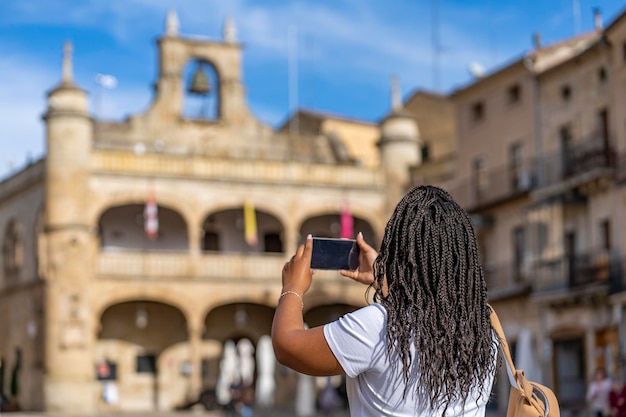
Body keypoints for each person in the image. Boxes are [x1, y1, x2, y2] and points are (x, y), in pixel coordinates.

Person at [272, 185, 498, 417]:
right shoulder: (483, 333)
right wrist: (388, 282)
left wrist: (292, 288)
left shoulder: (378, 327)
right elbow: (422, 315)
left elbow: (286, 346)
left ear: (397, 253)